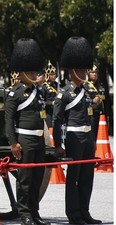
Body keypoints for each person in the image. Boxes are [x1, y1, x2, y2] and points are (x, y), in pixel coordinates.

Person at [53, 37, 101, 225]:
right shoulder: (64, 93)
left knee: (87, 177)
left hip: (87, 137)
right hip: (73, 137)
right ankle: (73, 215)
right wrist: (58, 145)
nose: (83, 72)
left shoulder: (87, 92)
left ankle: (84, 212)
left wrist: (93, 139)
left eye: (84, 69)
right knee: (73, 178)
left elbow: (90, 117)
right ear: (71, 71)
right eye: (79, 69)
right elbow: (57, 120)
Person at [4, 38, 49, 225]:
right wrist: (13, 143)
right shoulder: (15, 93)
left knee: (37, 178)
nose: (33, 74)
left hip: (38, 140)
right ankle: (25, 214)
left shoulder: (38, 92)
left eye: (34, 71)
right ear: (21, 73)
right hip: (24, 139)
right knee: (25, 179)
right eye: (29, 71)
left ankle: (35, 212)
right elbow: (8, 120)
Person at [86, 65, 105, 140]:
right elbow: (84, 99)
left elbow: (105, 98)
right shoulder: (85, 85)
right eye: (92, 72)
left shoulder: (100, 84)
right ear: (89, 74)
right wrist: (92, 100)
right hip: (91, 113)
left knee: (100, 135)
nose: (95, 74)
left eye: (96, 72)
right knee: (92, 134)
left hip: (100, 112)